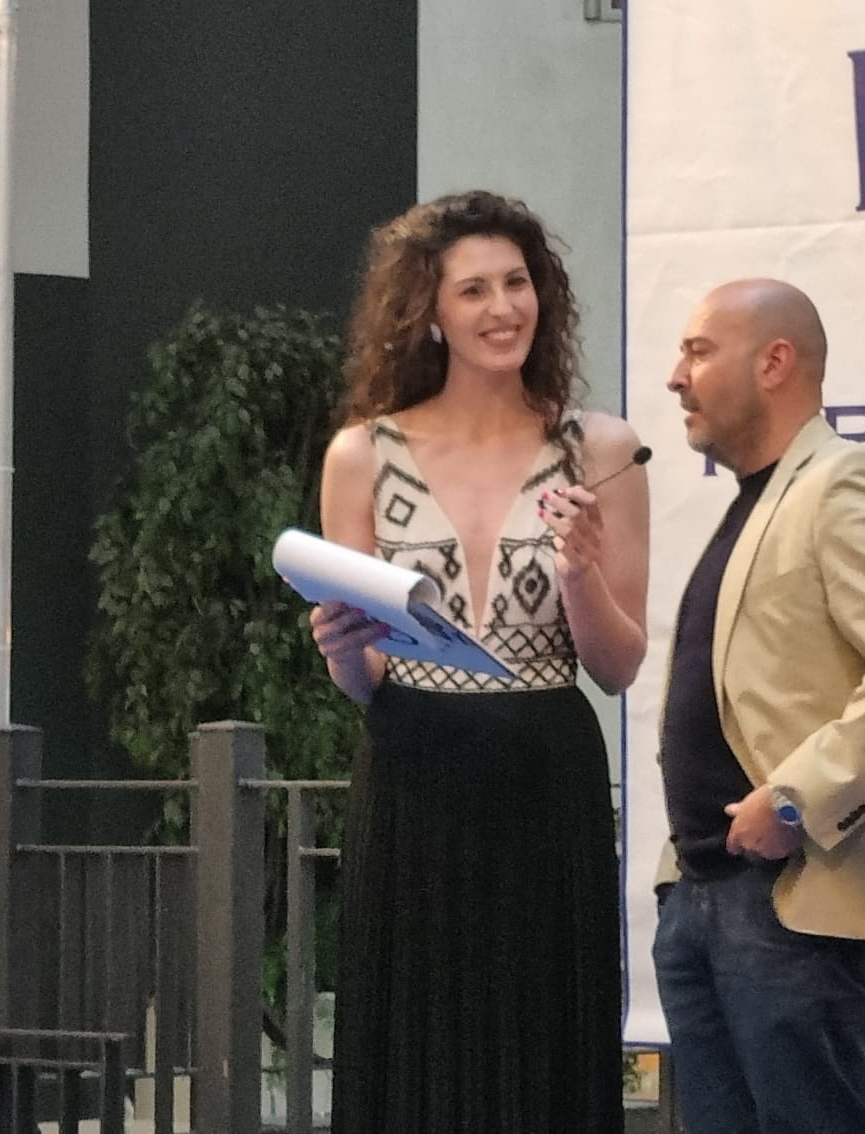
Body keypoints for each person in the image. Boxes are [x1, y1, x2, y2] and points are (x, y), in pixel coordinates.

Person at [309, 190, 649, 1133]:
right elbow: (365, 683)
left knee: (545, 1045)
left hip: (548, 773)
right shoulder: (362, 454)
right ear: (429, 311)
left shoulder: (602, 448)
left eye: (517, 282)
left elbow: (619, 666)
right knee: (416, 1049)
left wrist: (580, 575)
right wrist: (343, 654)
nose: (504, 308)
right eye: (474, 290)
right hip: (413, 775)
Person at [651, 279, 865, 1133]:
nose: (676, 377)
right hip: (705, 895)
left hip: (794, 900)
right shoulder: (758, 501)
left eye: (698, 352)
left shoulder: (843, 482)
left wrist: (798, 801)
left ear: (774, 362)